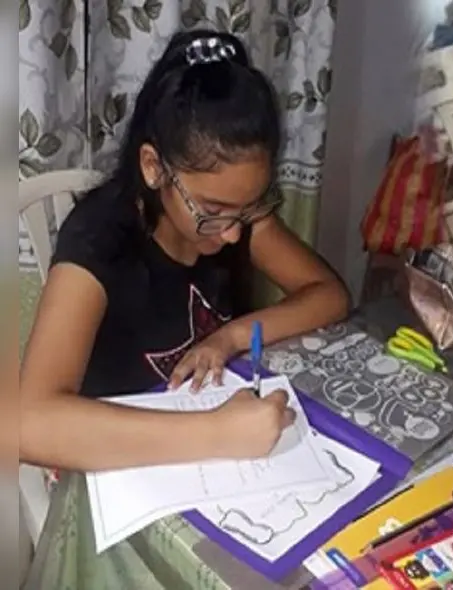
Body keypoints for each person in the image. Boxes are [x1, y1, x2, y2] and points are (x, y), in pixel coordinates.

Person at [19, 31, 351, 473]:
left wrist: (230, 337)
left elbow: (329, 294)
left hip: (204, 450)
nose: (234, 234)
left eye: (249, 206)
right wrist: (217, 433)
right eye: (213, 210)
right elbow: (29, 425)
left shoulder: (233, 217)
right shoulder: (99, 241)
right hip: (118, 457)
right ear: (154, 168)